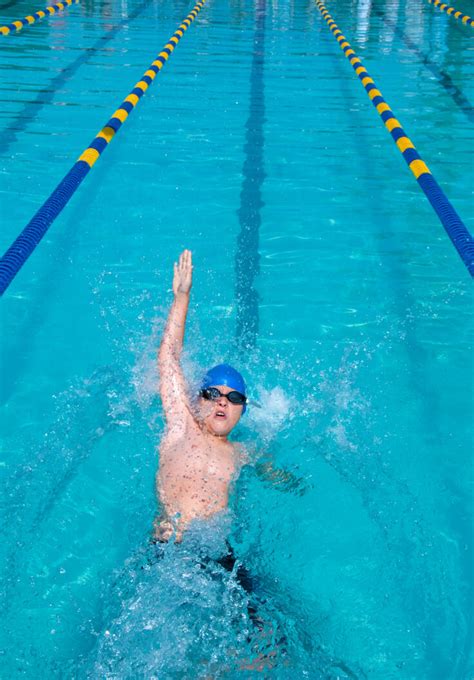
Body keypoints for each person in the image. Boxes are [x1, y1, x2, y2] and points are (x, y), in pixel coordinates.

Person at [154, 249, 249, 543]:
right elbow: (169, 359)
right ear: (198, 400)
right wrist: (181, 298)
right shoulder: (182, 427)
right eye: (213, 393)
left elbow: (281, 477)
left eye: (234, 398)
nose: (222, 401)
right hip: (167, 545)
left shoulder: (242, 452)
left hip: (215, 553)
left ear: (243, 410)